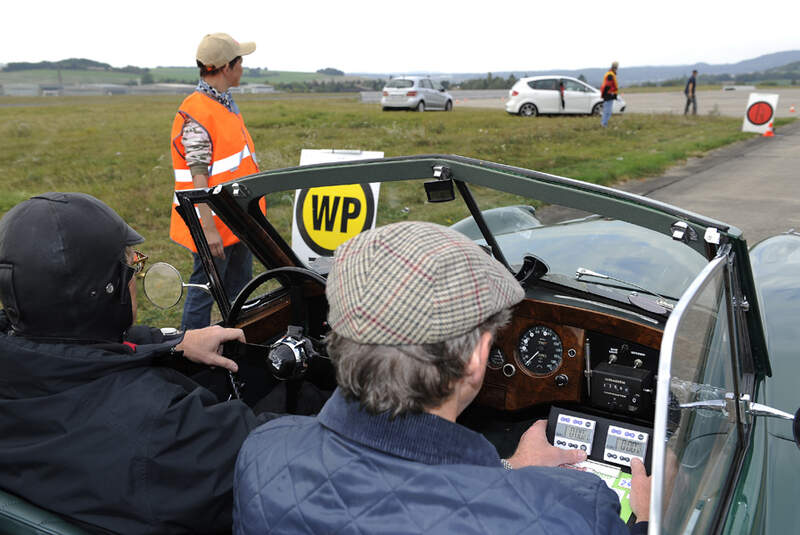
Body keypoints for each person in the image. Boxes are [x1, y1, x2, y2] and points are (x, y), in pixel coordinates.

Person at [234, 221, 651, 534]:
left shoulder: (265, 450)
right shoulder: (571, 512)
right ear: (476, 358)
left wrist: (509, 468)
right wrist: (651, 517)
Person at [0, 192, 259, 534]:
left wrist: (171, 343)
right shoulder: (164, 429)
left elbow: (75, 351)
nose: (136, 274)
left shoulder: (23, 369)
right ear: (109, 291)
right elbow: (270, 455)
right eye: (132, 266)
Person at [170, 32, 261, 331]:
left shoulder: (225, 103)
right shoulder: (197, 112)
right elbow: (199, 179)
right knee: (205, 292)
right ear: (226, 67)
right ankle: (189, 350)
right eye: (240, 62)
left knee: (240, 292)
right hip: (215, 228)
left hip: (239, 218)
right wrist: (208, 232)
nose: (243, 68)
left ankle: (237, 340)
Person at [600, 61, 620, 127]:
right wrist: (607, 94)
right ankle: (604, 124)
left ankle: (604, 124)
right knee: (607, 111)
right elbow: (608, 85)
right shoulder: (610, 75)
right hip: (608, 95)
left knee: (608, 111)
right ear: (616, 67)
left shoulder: (610, 74)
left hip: (608, 94)